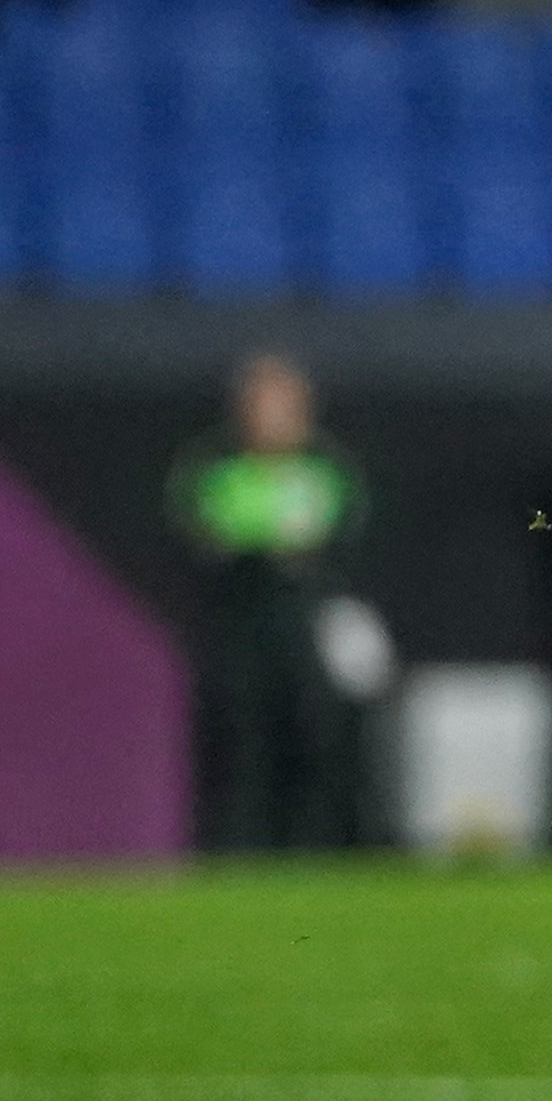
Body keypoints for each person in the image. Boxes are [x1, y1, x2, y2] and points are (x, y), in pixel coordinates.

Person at [167, 353, 378, 852]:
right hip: (240, 624)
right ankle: (237, 852)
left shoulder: (326, 470)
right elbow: (203, 537)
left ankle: (318, 850)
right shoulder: (218, 470)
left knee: (316, 738)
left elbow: (340, 540)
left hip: (306, 626)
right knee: (241, 744)